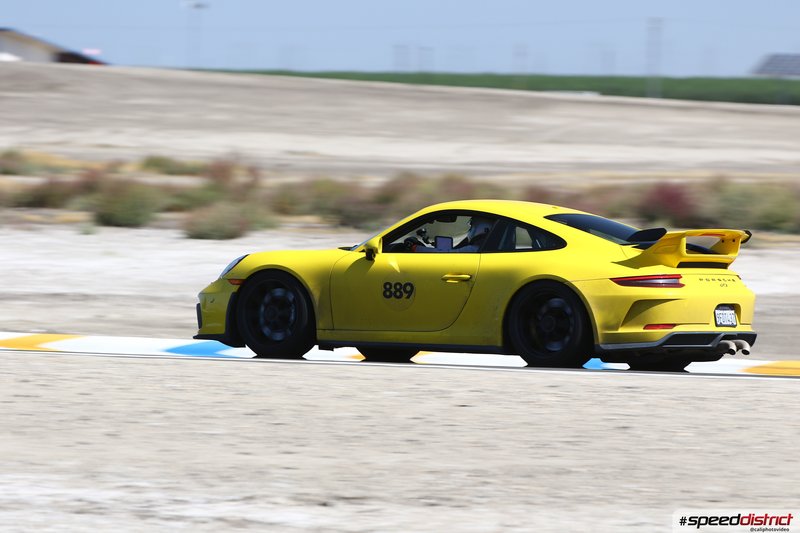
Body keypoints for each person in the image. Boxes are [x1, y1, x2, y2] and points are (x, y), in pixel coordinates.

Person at [406, 216, 493, 253]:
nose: (470, 229)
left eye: (472, 226)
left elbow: (445, 254)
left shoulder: (474, 249)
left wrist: (415, 248)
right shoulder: (486, 246)